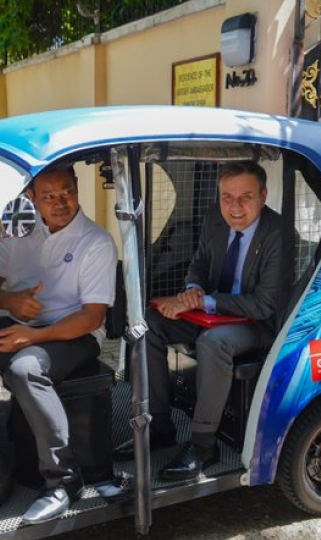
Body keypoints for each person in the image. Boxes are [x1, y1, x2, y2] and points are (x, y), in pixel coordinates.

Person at [0, 164, 117, 524]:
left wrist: (32, 336)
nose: (60, 202)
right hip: (25, 323)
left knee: (25, 368)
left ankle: (62, 480)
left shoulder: (96, 241)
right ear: (32, 198)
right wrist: (10, 302)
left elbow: (92, 317)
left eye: (67, 192)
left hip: (74, 334)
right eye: (49, 195)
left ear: (77, 189)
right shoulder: (21, 232)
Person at [115, 160, 283, 481]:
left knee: (213, 342)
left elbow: (263, 305)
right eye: (226, 197)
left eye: (245, 197)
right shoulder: (213, 219)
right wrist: (192, 288)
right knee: (149, 322)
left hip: (255, 323)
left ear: (263, 196)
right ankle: (160, 427)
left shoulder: (277, 233)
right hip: (214, 311)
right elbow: (200, 262)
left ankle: (204, 445)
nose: (234, 207)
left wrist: (203, 300)